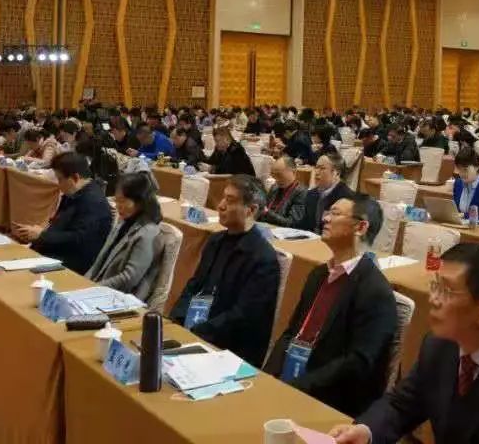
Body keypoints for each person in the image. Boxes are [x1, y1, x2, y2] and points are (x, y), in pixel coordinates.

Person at [330, 243, 479, 444]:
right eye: (435, 285)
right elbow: (401, 405)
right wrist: (367, 431)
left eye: (446, 291)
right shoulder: (438, 345)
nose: (433, 299)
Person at [265, 194, 397, 417]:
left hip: (330, 402)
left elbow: (358, 363)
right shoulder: (318, 274)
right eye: (327, 212)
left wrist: (298, 387)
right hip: (292, 383)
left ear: (361, 227)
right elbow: (291, 333)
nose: (325, 218)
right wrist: (269, 375)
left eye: (335, 214)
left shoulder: (375, 291)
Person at [169, 175, 280, 367]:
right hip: (197, 332)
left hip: (229, 350)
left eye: (230, 200)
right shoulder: (215, 241)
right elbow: (194, 285)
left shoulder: (263, 258)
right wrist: (177, 319)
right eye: (222, 198)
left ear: (251, 210)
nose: (220, 206)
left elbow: (242, 316)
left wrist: (196, 332)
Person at [15, 152, 112, 275]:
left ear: (75, 178)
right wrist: (40, 234)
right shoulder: (74, 192)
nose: (58, 184)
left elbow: (79, 239)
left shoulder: (93, 202)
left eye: (60, 179)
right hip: (55, 252)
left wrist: (42, 235)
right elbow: (59, 225)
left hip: (71, 263)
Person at [86, 172, 163, 300]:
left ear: (140, 202)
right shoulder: (124, 222)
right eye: (116, 200)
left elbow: (129, 278)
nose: (118, 206)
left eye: (123, 201)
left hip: (121, 298)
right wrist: (84, 283)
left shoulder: (148, 232)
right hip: (100, 289)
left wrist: (94, 288)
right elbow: (100, 260)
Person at [296, 152, 355, 233]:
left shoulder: (347, 198)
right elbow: (303, 224)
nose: (316, 172)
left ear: (337, 173)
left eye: (322, 168)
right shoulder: (311, 194)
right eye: (316, 167)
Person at [259, 155, 307, 227]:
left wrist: (267, 213)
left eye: (279, 175)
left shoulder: (301, 192)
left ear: (294, 172)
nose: (276, 179)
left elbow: (291, 223)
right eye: (274, 175)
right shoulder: (274, 187)